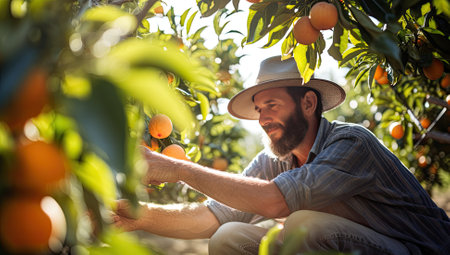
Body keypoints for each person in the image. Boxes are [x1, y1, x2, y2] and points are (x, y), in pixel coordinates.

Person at [112, 56, 450, 255]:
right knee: (229, 236)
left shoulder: (351, 143)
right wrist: (137, 216)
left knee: (305, 225)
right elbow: (211, 217)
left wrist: (178, 169)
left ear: (308, 103)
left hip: (417, 250)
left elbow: (276, 203)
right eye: (259, 109)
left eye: (271, 105)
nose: (262, 118)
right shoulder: (274, 160)